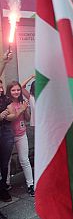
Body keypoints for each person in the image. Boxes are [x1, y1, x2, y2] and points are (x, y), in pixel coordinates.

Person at [6, 81, 34, 197]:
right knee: (6, 161)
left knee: (24, 160)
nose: (16, 92)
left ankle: (30, 185)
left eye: (18, 89)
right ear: (9, 91)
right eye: (13, 90)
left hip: (21, 134)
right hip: (9, 136)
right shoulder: (6, 103)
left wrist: (26, 109)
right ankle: (6, 183)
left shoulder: (22, 102)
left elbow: (27, 118)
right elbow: (10, 119)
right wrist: (21, 109)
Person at [0, 51, 14, 204]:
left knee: (4, 164)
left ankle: (3, 187)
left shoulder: (4, 98)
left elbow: (11, 114)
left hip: (5, 133)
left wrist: (3, 62)